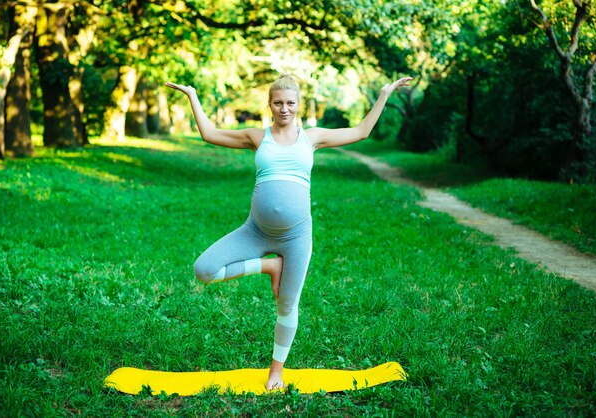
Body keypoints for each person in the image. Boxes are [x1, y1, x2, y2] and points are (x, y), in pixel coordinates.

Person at [165, 74, 413, 390]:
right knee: (204, 270)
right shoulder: (257, 136)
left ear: (299, 105)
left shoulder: (312, 137)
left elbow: (361, 132)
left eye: (290, 103)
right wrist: (192, 96)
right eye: (278, 103)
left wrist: (383, 95)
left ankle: (276, 373)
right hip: (254, 231)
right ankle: (270, 266)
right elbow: (209, 133)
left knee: (287, 305)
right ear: (270, 104)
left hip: (296, 237)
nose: (285, 109)